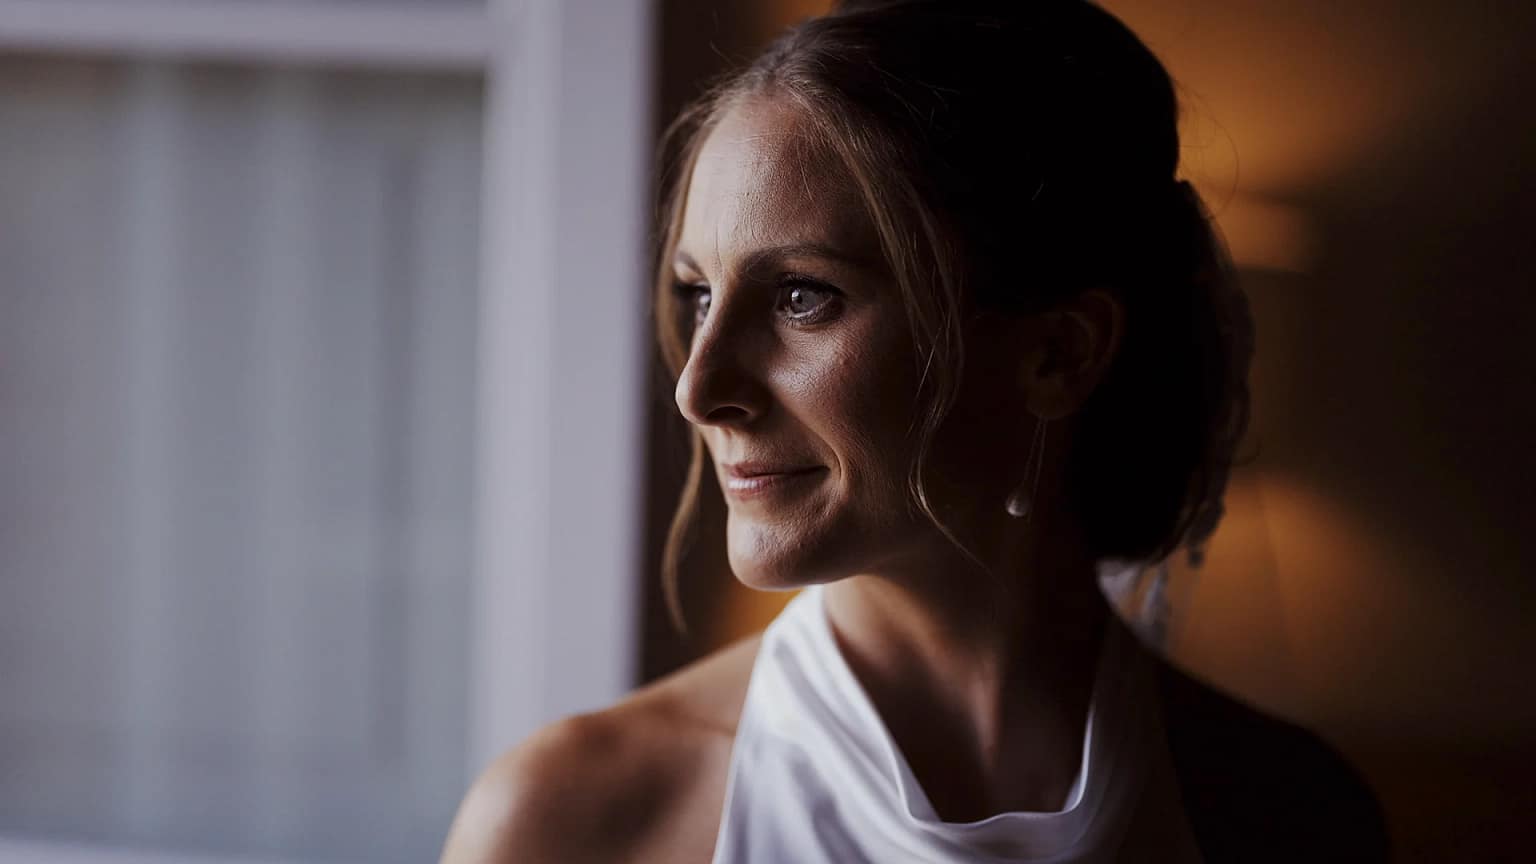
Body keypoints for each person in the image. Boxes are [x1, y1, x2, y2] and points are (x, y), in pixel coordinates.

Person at [440, 1, 1389, 860]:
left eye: (803, 297)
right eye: (697, 293)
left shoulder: (1291, 815)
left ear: (1058, 353)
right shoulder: (571, 820)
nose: (699, 388)